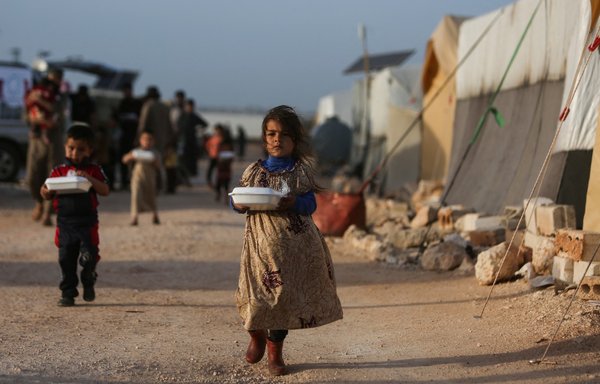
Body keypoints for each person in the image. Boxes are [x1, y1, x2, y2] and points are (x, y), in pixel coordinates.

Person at [231, 105, 343, 376]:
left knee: (281, 301)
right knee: (255, 295)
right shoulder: (253, 172)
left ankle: (275, 353)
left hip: (293, 250)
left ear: (294, 140)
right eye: (271, 134)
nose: (276, 139)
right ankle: (256, 334)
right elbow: (238, 200)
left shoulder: (300, 172)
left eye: (283, 134)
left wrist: (294, 201)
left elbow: (310, 204)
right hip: (260, 248)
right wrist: (241, 205)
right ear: (264, 138)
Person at [40, 123, 110, 307]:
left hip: (87, 222)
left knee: (90, 256)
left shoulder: (94, 170)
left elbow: (105, 190)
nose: (75, 153)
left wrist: (88, 179)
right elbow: (46, 191)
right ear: (65, 147)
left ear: (90, 150)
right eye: (71, 148)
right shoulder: (58, 171)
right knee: (65, 258)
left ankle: (88, 278)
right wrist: (46, 192)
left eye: (81, 149)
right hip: (65, 223)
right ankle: (68, 292)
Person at [25, 67, 67, 226]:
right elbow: (27, 112)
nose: (54, 81)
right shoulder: (36, 91)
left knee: (53, 176)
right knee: (32, 176)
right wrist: (36, 119)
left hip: (54, 140)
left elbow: (58, 113)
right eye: (53, 77)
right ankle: (39, 201)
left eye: (57, 78)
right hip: (36, 140)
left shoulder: (60, 96)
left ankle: (48, 213)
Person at [122, 131, 161, 226]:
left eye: (149, 140)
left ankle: (155, 215)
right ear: (141, 141)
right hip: (137, 177)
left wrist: (154, 160)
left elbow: (159, 166)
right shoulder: (136, 151)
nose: (147, 142)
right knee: (136, 196)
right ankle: (134, 218)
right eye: (145, 140)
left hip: (150, 179)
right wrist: (131, 156)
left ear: (153, 141)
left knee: (151, 197)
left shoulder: (155, 152)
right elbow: (124, 159)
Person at [115, 83, 142, 190]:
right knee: (124, 160)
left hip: (134, 135)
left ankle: (133, 180)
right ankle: (124, 181)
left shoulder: (137, 103)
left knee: (135, 159)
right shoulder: (122, 103)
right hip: (123, 136)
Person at [177, 98, 207, 177]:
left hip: (192, 141)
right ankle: (183, 175)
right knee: (182, 159)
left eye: (191, 106)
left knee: (192, 159)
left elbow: (205, 124)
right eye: (188, 106)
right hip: (183, 141)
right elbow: (178, 127)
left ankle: (190, 174)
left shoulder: (194, 116)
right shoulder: (182, 115)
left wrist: (198, 130)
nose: (189, 108)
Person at [215, 126, 234, 203]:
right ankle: (225, 198)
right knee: (226, 183)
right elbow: (232, 156)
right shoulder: (230, 145)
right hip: (227, 166)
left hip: (221, 166)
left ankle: (219, 195)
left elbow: (218, 155)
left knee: (219, 182)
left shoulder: (221, 144)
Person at [204, 124, 223, 188]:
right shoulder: (213, 137)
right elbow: (207, 145)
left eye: (218, 130)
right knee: (209, 171)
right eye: (216, 130)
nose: (217, 132)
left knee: (220, 172)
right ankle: (210, 183)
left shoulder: (222, 138)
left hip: (219, 158)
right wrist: (209, 151)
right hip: (212, 156)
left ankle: (219, 184)